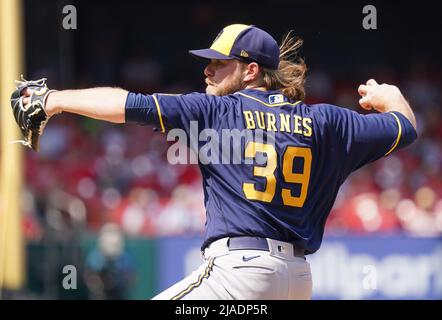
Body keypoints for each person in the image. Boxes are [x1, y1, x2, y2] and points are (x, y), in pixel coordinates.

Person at [18, 24, 417, 299]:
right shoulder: (327, 121)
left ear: (251, 71)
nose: (207, 69)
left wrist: (53, 100)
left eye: (220, 63)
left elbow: (127, 104)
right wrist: (391, 95)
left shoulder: (216, 113)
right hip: (298, 280)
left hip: (240, 272)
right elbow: (405, 126)